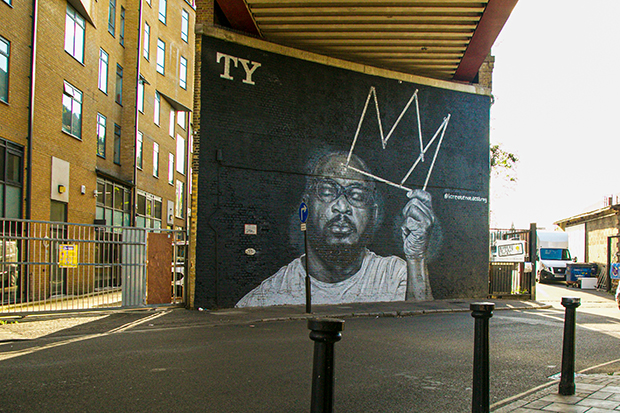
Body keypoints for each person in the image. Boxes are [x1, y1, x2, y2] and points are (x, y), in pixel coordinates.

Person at [236, 151, 436, 307]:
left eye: (356, 195)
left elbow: (422, 331)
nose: (342, 206)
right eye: (327, 191)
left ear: (373, 215)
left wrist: (416, 257)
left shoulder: (397, 276)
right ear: (304, 208)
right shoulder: (268, 297)